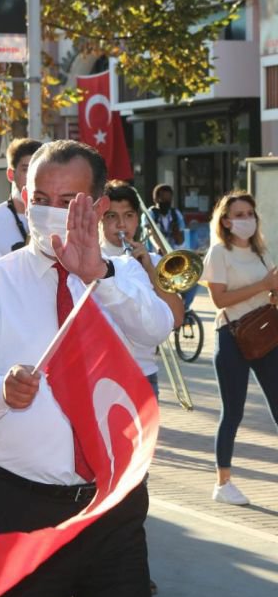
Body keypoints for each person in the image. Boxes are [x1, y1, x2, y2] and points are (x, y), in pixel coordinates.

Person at [0, 140, 175, 597]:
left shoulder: (123, 273)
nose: (51, 211)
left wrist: (98, 274)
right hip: (20, 506)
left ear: (100, 206)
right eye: (40, 196)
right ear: (22, 198)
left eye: (69, 201)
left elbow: (154, 328)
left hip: (112, 506)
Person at [201, 190, 278, 506]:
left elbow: (269, 292)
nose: (246, 220)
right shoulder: (219, 253)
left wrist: (272, 293)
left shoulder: (262, 252)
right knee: (233, 411)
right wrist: (262, 286)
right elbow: (218, 299)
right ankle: (223, 483)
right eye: (239, 215)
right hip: (232, 336)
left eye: (250, 214)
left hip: (266, 335)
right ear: (226, 221)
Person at [100, 181, 184, 397]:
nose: (121, 225)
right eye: (111, 216)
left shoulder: (154, 261)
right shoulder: (92, 261)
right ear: (99, 220)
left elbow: (176, 318)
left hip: (143, 372)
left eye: (128, 216)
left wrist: (148, 269)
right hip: (102, 375)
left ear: (137, 219)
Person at [0, 137, 41, 253]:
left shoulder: (54, 219)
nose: (33, 176)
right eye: (26, 170)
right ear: (11, 174)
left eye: (39, 169)